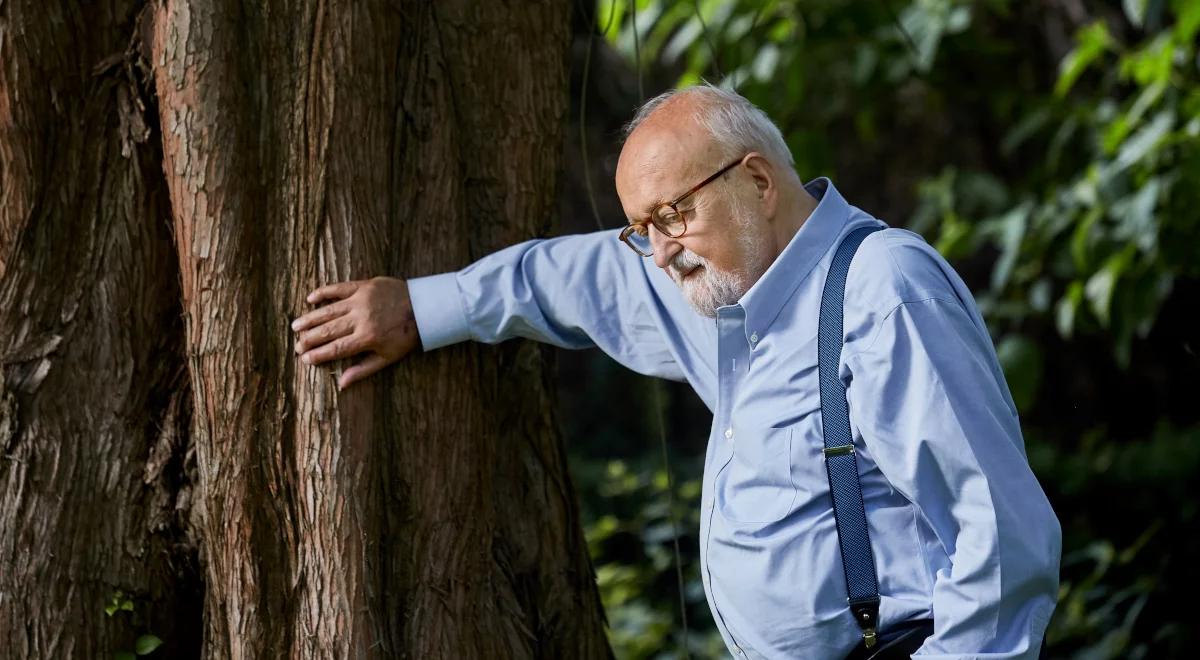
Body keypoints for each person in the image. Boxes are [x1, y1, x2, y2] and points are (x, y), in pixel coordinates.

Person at [290, 84, 1061, 659]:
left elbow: (999, 539)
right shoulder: (717, 285)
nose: (658, 251)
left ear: (758, 183)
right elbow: (568, 278)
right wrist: (420, 310)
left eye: (670, 215)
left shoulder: (881, 286)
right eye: (640, 230)